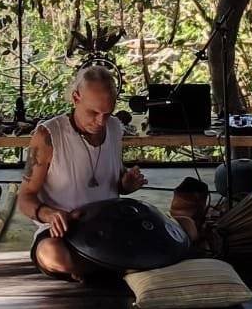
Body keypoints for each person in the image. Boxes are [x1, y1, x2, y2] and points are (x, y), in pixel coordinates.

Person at [16, 66, 155, 282]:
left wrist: (126, 184)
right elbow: (25, 198)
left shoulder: (114, 127)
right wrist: (50, 214)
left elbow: (114, 181)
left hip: (110, 226)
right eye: (93, 113)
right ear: (76, 98)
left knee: (171, 230)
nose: (101, 121)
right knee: (52, 253)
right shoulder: (48, 135)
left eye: (107, 113)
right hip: (67, 231)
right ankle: (116, 267)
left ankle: (97, 268)